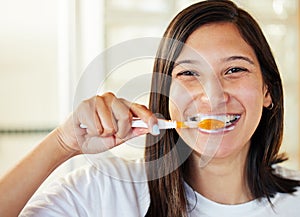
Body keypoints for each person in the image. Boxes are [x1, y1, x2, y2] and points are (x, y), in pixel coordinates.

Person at [0, 0, 299, 216]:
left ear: (267, 91)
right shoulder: (106, 192)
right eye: (189, 74)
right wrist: (63, 143)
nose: (213, 95)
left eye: (234, 70)